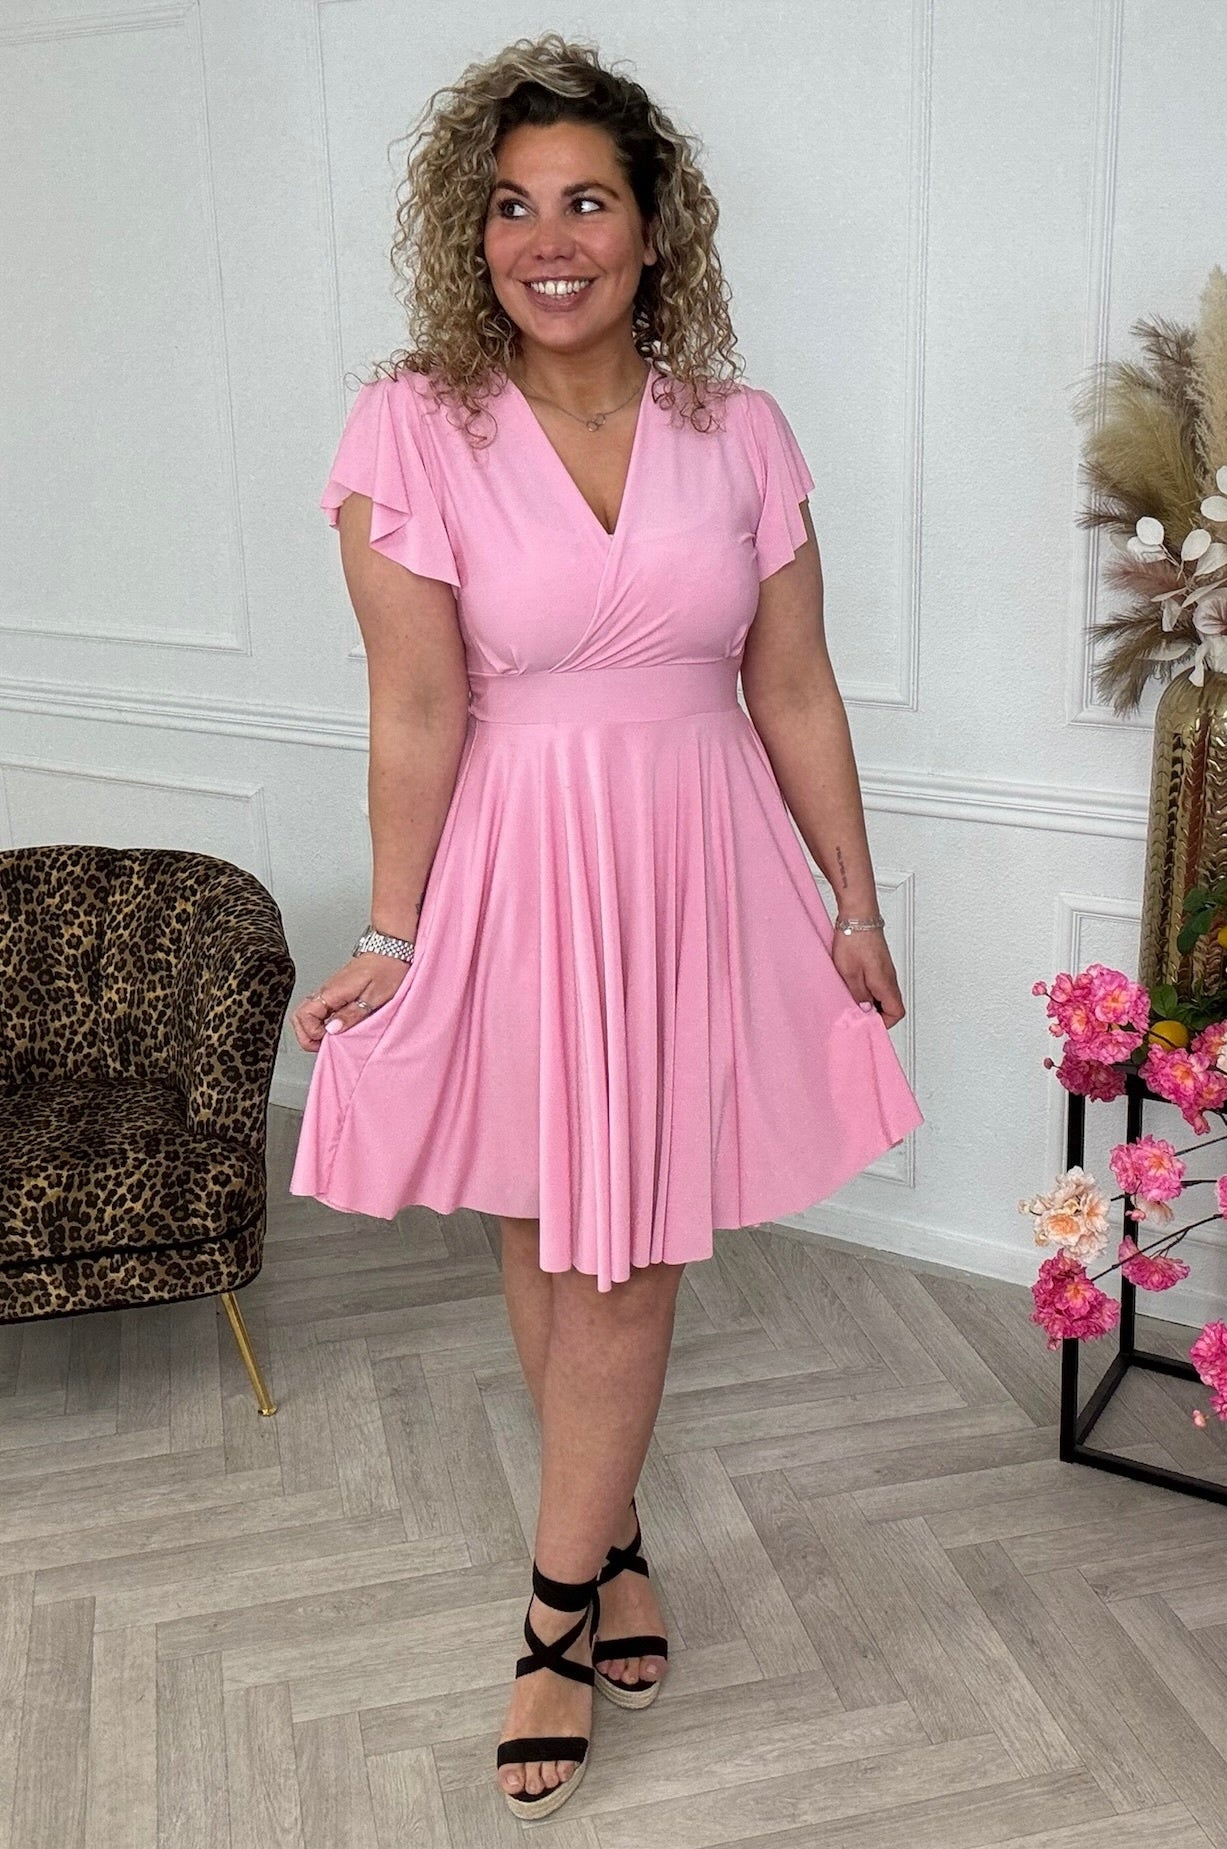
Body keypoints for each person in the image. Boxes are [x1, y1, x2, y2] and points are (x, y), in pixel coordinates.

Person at [288, 32, 924, 1821]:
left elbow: (790, 686)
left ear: (654, 232)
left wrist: (852, 896)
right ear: (472, 233)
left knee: (626, 1252)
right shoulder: (412, 423)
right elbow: (416, 704)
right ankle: (616, 1536)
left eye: (586, 201)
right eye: (511, 207)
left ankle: (552, 1611)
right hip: (515, 859)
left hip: (692, 860)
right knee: (544, 1217)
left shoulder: (741, 430)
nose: (546, 240)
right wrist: (396, 932)